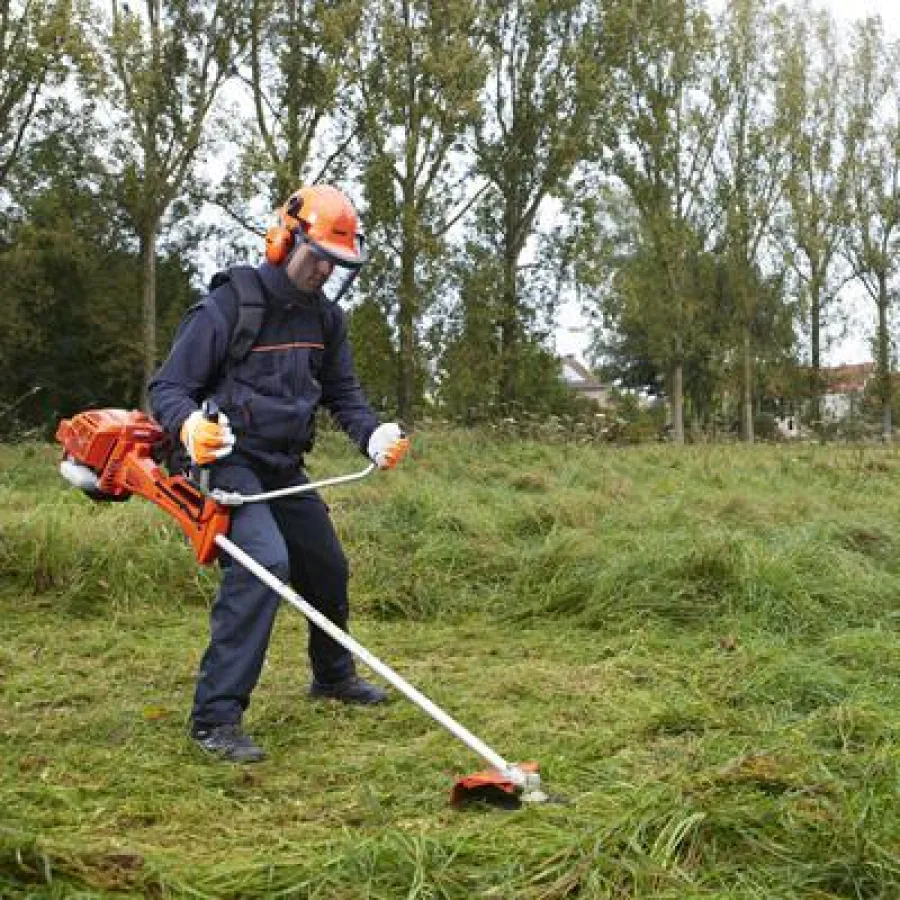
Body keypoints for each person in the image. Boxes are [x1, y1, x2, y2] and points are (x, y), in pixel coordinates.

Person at [148, 184, 410, 763]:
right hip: (227, 460)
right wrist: (190, 426)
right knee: (264, 563)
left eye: (335, 264)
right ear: (283, 240)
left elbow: (343, 394)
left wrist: (372, 435)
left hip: (284, 465)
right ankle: (215, 719)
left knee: (325, 564)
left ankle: (333, 677)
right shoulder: (232, 304)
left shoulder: (328, 321)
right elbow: (166, 389)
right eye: (315, 256)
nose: (322, 271)